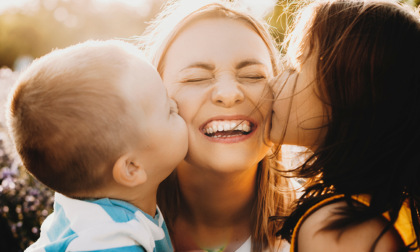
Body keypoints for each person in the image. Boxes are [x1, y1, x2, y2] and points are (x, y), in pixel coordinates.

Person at [140, 0, 295, 251]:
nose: (229, 93)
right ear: (155, 97)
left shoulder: (319, 234)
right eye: (196, 78)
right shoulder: (96, 228)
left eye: (253, 75)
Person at [6, 40, 188, 252]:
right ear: (131, 168)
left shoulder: (81, 199)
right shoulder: (112, 243)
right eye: (169, 110)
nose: (177, 104)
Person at [270, 0, 420, 251]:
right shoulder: (394, 208)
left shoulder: (337, 231)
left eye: (294, 66)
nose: (274, 82)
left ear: (349, 94)